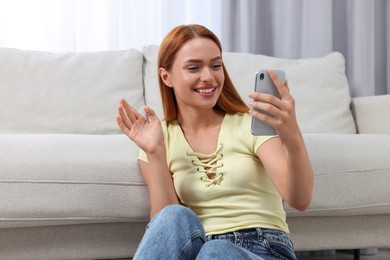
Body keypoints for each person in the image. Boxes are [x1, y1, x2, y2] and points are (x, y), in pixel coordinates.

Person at [116, 24, 313, 260]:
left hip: (264, 249)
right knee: (174, 217)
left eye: (216, 65)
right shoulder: (157, 136)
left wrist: (292, 136)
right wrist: (155, 153)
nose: (208, 77)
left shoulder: (249, 125)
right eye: (194, 67)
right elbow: (166, 236)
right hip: (199, 251)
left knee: (216, 251)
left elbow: (300, 199)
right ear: (166, 77)